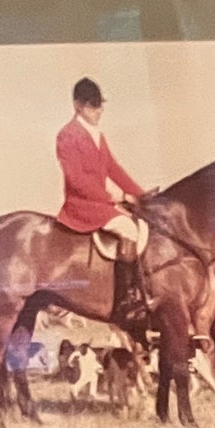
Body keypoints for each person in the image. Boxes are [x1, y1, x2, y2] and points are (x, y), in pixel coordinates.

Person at [55, 77, 149, 323]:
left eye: (99, 105)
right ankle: (126, 298)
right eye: (92, 105)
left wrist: (141, 196)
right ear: (78, 105)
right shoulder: (67, 135)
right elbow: (75, 180)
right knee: (128, 229)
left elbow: (114, 169)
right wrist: (113, 197)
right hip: (82, 205)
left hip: (99, 203)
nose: (99, 110)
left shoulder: (98, 136)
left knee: (142, 221)